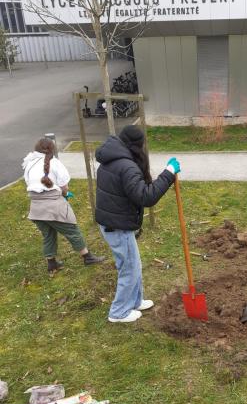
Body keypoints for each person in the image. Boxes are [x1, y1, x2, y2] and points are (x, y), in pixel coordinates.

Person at [95, 125, 180, 323]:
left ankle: (134, 301)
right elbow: (146, 196)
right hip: (116, 225)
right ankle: (118, 312)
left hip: (114, 221)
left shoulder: (112, 158)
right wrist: (168, 173)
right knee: (129, 267)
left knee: (134, 264)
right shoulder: (126, 166)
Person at [22, 138, 105, 274]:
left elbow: (29, 183)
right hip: (53, 206)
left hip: (36, 208)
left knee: (48, 234)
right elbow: (64, 186)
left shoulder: (29, 164)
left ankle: (52, 264)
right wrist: (66, 194)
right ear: (52, 149)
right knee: (72, 230)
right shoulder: (55, 163)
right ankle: (87, 257)